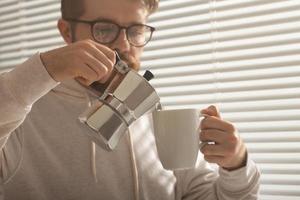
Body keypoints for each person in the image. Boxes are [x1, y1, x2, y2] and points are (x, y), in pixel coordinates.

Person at [0, 0, 260, 199]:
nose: (123, 45)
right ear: (67, 32)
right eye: (104, 29)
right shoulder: (20, 112)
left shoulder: (158, 118)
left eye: (135, 31)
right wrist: (44, 67)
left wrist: (236, 166)